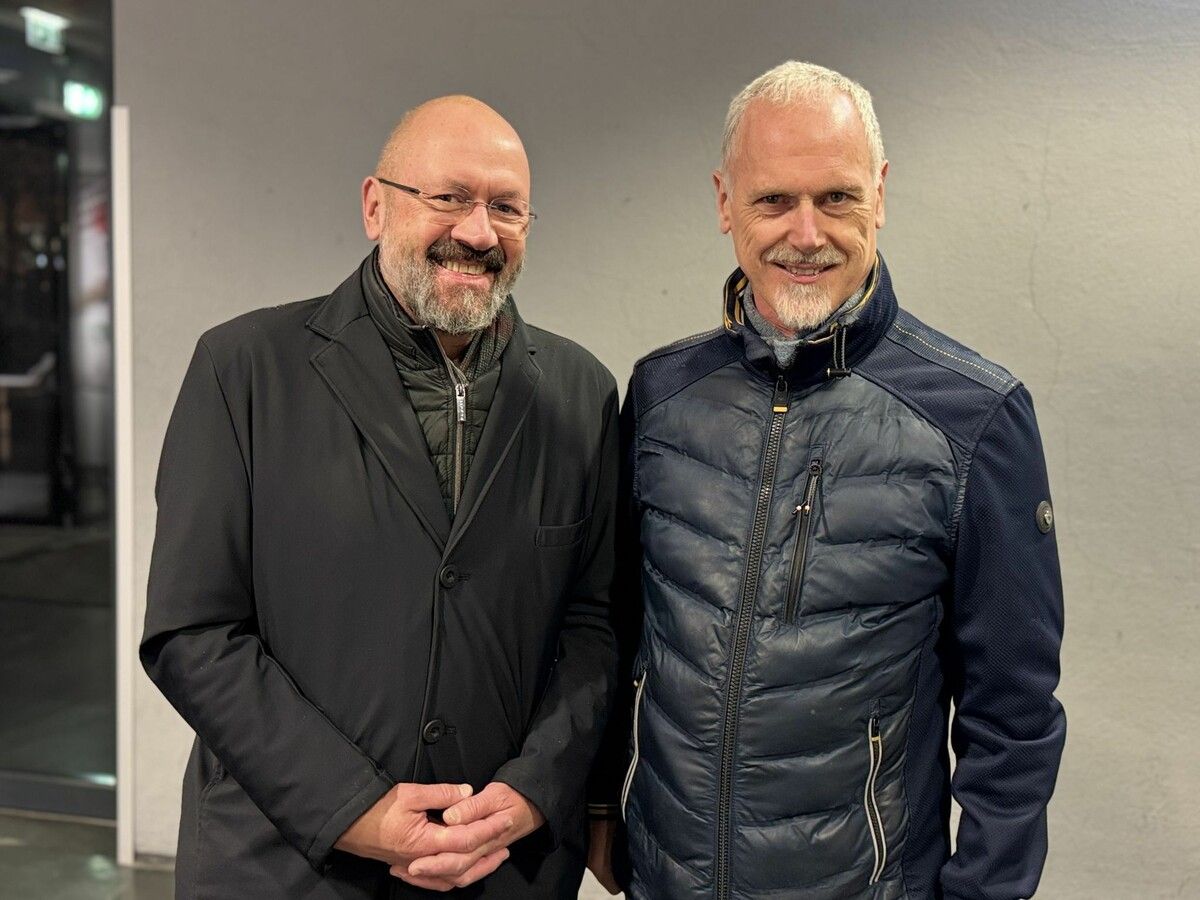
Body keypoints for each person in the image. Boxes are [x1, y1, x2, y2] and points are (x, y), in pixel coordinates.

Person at [587, 62, 1066, 899]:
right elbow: (618, 626)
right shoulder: (661, 395)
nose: (805, 234)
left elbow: (1014, 714)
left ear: (879, 194)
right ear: (725, 202)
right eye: (773, 200)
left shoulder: (975, 419)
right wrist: (598, 800)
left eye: (837, 198)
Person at [141, 95, 620, 898]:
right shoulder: (244, 370)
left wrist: (536, 789)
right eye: (449, 197)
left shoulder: (582, 393)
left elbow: (594, 622)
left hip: (500, 867)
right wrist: (348, 807)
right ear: (375, 206)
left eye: (507, 207)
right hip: (285, 865)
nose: (479, 232)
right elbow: (193, 632)